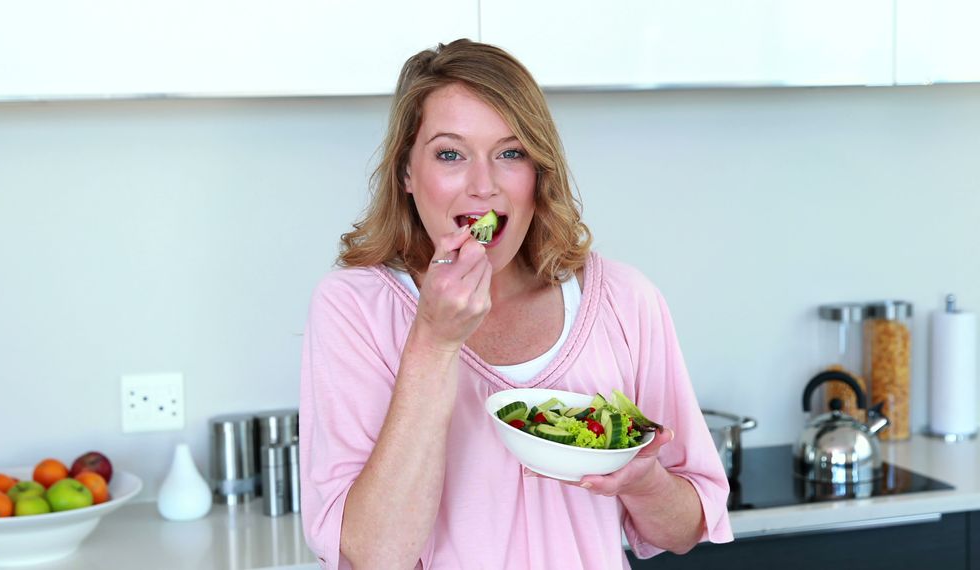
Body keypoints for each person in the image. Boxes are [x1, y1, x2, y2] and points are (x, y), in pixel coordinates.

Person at [299, 38, 732, 570]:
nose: (483, 186)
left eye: (510, 153)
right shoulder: (354, 308)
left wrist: (644, 482)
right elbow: (375, 556)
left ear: (538, 173)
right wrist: (434, 341)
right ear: (407, 173)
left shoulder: (624, 299)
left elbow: (687, 529)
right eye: (450, 154)